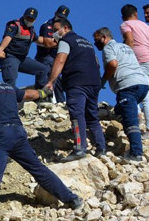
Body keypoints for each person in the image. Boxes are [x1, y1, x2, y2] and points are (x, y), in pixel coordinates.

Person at [0, 65, 82, 221]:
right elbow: (29, 94)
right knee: (39, 169)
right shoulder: (9, 87)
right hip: (18, 134)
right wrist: (43, 93)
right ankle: (72, 199)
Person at [44, 18, 106, 160]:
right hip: (93, 82)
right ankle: (101, 148)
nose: (54, 33)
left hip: (77, 82)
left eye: (56, 30)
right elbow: (96, 63)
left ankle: (79, 149)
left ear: (65, 28)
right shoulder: (87, 42)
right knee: (92, 116)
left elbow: (60, 60)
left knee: (77, 115)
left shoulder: (66, 41)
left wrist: (51, 81)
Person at [93, 28, 149, 162]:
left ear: (104, 37)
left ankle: (136, 153)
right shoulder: (125, 47)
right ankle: (121, 114)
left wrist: (103, 80)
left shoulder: (108, 48)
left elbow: (113, 64)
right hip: (142, 84)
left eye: (97, 40)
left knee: (130, 121)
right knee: (122, 108)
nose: (96, 44)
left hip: (127, 86)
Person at [120, 4, 149, 138]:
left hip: (140, 62)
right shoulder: (145, 26)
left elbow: (130, 40)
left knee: (144, 97)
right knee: (142, 92)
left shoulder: (125, 24)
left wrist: (126, 57)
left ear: (123, 17)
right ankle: (139, 117)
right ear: (136, 14)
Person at [0, 7, 55, 89]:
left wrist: (55, 41)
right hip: (10, 57)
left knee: (43, 70)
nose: (29, 20)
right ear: (24, 16)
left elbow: (39, 40)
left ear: (35, 20)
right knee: (11, 83)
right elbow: (7, 38)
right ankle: (11, 96)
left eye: (31, 19)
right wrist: (1, 49)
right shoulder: (15, 25)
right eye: (28, 17)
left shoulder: (31, 30)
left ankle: (41, 93)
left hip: (22, 58)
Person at [37, 5, 71, 102]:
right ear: (55, 13)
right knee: (44, 79)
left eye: (62, 18)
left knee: (57, 80)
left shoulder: (65, 26)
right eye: (59, 16)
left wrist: (58, 43)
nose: (59, 19)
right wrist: (62, 43)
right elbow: (48, 43)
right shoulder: (47, 25)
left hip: (57, 56)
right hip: (46, 56)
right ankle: (43, 101)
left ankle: (61, 102)